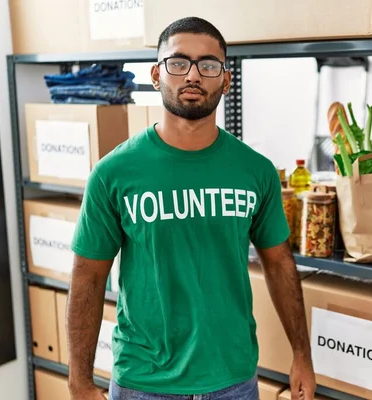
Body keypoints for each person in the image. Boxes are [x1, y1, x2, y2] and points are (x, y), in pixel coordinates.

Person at [66, 16, 316, 400]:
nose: (193, 75)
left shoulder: (256, 171)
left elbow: (280, 264)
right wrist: (79, 379)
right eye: (178, 62)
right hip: (144, 383)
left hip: (233, 380)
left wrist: (302, 354)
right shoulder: (113, 173)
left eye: (209, 64)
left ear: (226, 80)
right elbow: (88, 277)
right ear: (156, 74)